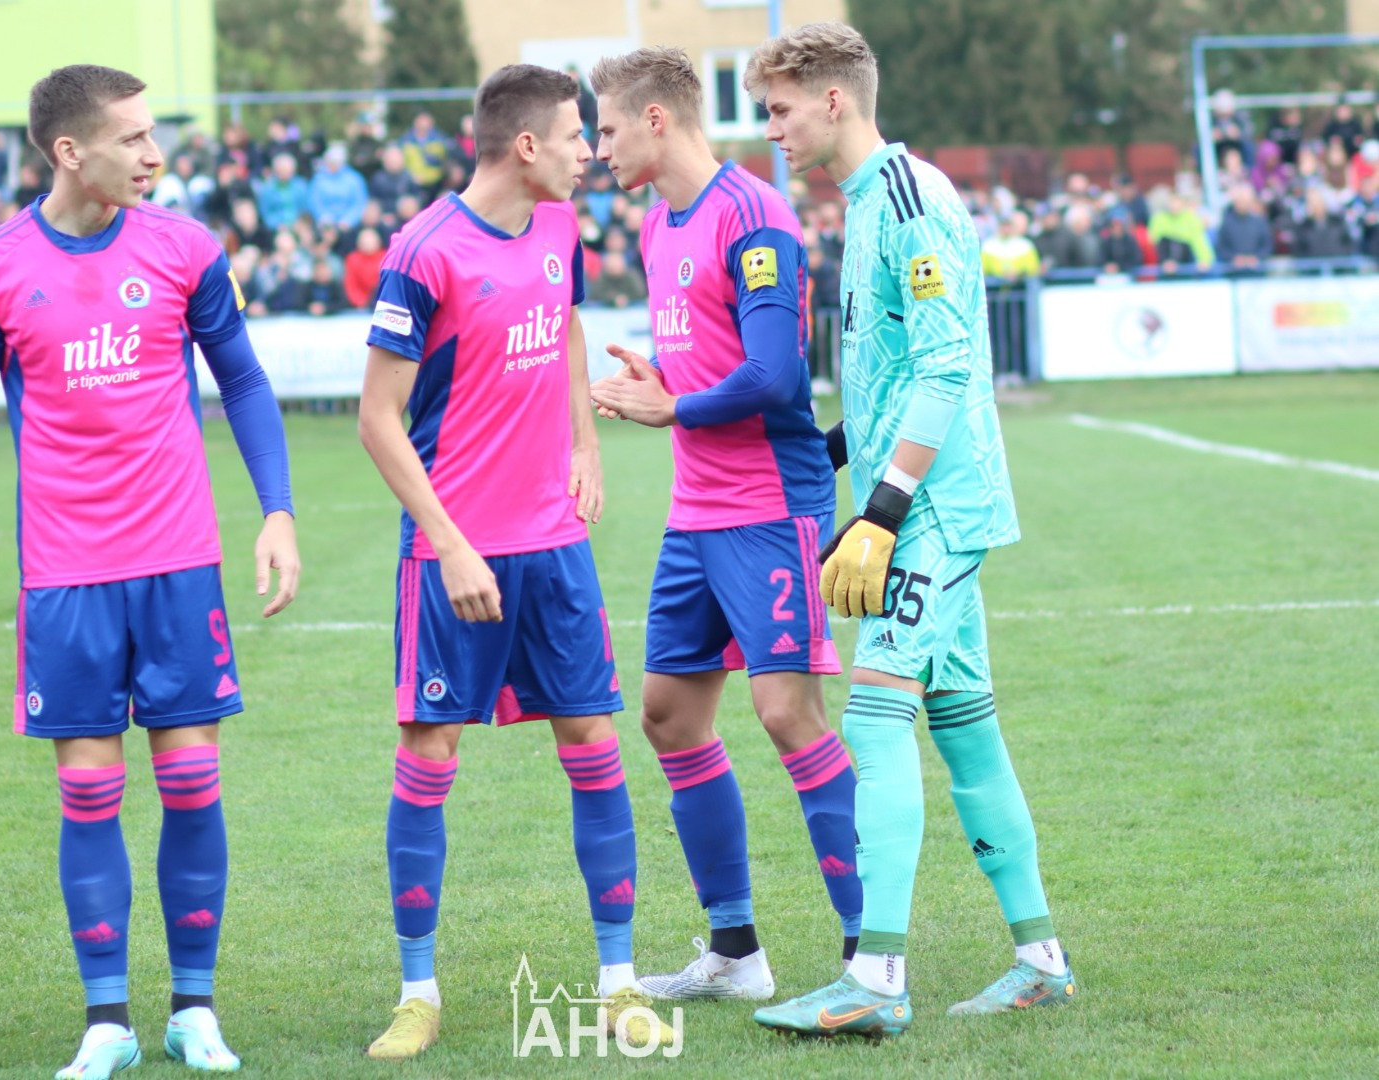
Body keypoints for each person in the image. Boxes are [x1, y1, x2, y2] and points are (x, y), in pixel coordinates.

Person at [0, 64, 301, 1079]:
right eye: (132, 138)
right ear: (70, 151)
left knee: (190, 781)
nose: (154, 155)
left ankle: (193, 1009)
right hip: (66, 576)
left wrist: (276, 509)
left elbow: (243, 380)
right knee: (89, 790)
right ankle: (106, 1021)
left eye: (152, 135)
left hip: (178, 562)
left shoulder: (184, 248)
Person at [743, 21, 1073, 1039]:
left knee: (875, 716)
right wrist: (827, 456)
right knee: (963, 723)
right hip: (914, 497)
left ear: (833, 98)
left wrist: (881, 512)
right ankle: (1040, 961)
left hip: (934, 508)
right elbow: (890, 380)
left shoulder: (906, 199)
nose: (771, 131)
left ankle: (875, 979)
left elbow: (943, 368)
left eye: (779, 111)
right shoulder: (863, 204)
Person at [357, 62, 671, 1062]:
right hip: (454, 553)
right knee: (429, 755)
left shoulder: (559, 226)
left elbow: (564, 326)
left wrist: (584, 442)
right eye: (577, 135)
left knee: (592, 744)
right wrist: (449, 544)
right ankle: (416, 995)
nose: (591, 152)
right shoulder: (424, 252)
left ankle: (619, 984)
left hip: (553, 545)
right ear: (526, 144)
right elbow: (377, 419)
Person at [588, 46, 860, 1001]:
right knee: (668, 715)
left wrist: (673, 407)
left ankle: (867, 953)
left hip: (770, 504)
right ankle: (735, 954)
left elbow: (776, 376)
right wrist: (665, 383)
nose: (599, 147)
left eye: (607, 128)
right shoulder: (657, 223)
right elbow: (717, 363)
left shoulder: (753, 213)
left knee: (787, 713)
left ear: (656, 119)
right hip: (695, 510)